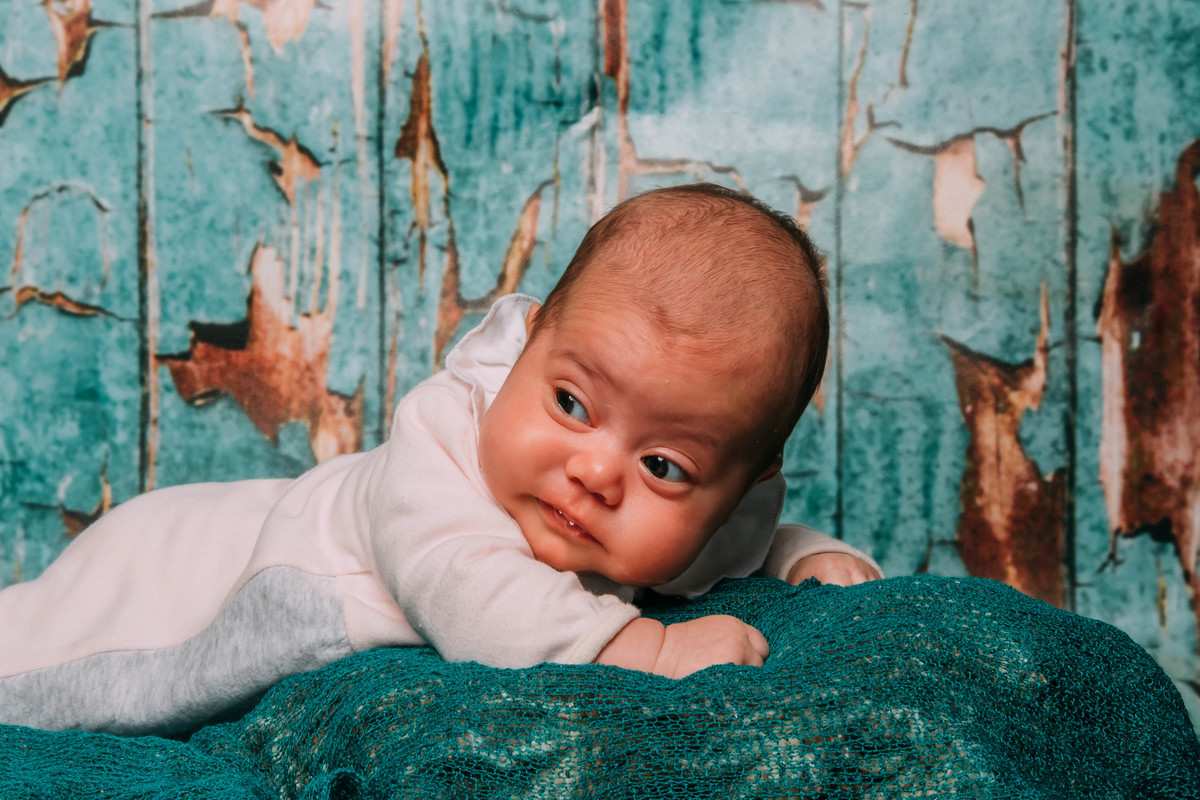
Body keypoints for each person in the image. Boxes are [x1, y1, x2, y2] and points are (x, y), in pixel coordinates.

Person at [0, 183, 880, 736]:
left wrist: (800, 554)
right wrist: (643, 651)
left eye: (664, 467)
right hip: (203, 566)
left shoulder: (696, 505)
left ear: (738, 489)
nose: (598, 472)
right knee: (58, 676)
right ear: (522, 348)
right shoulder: (438, 442)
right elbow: (471, 594)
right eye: (571, 404)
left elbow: (731, 540)